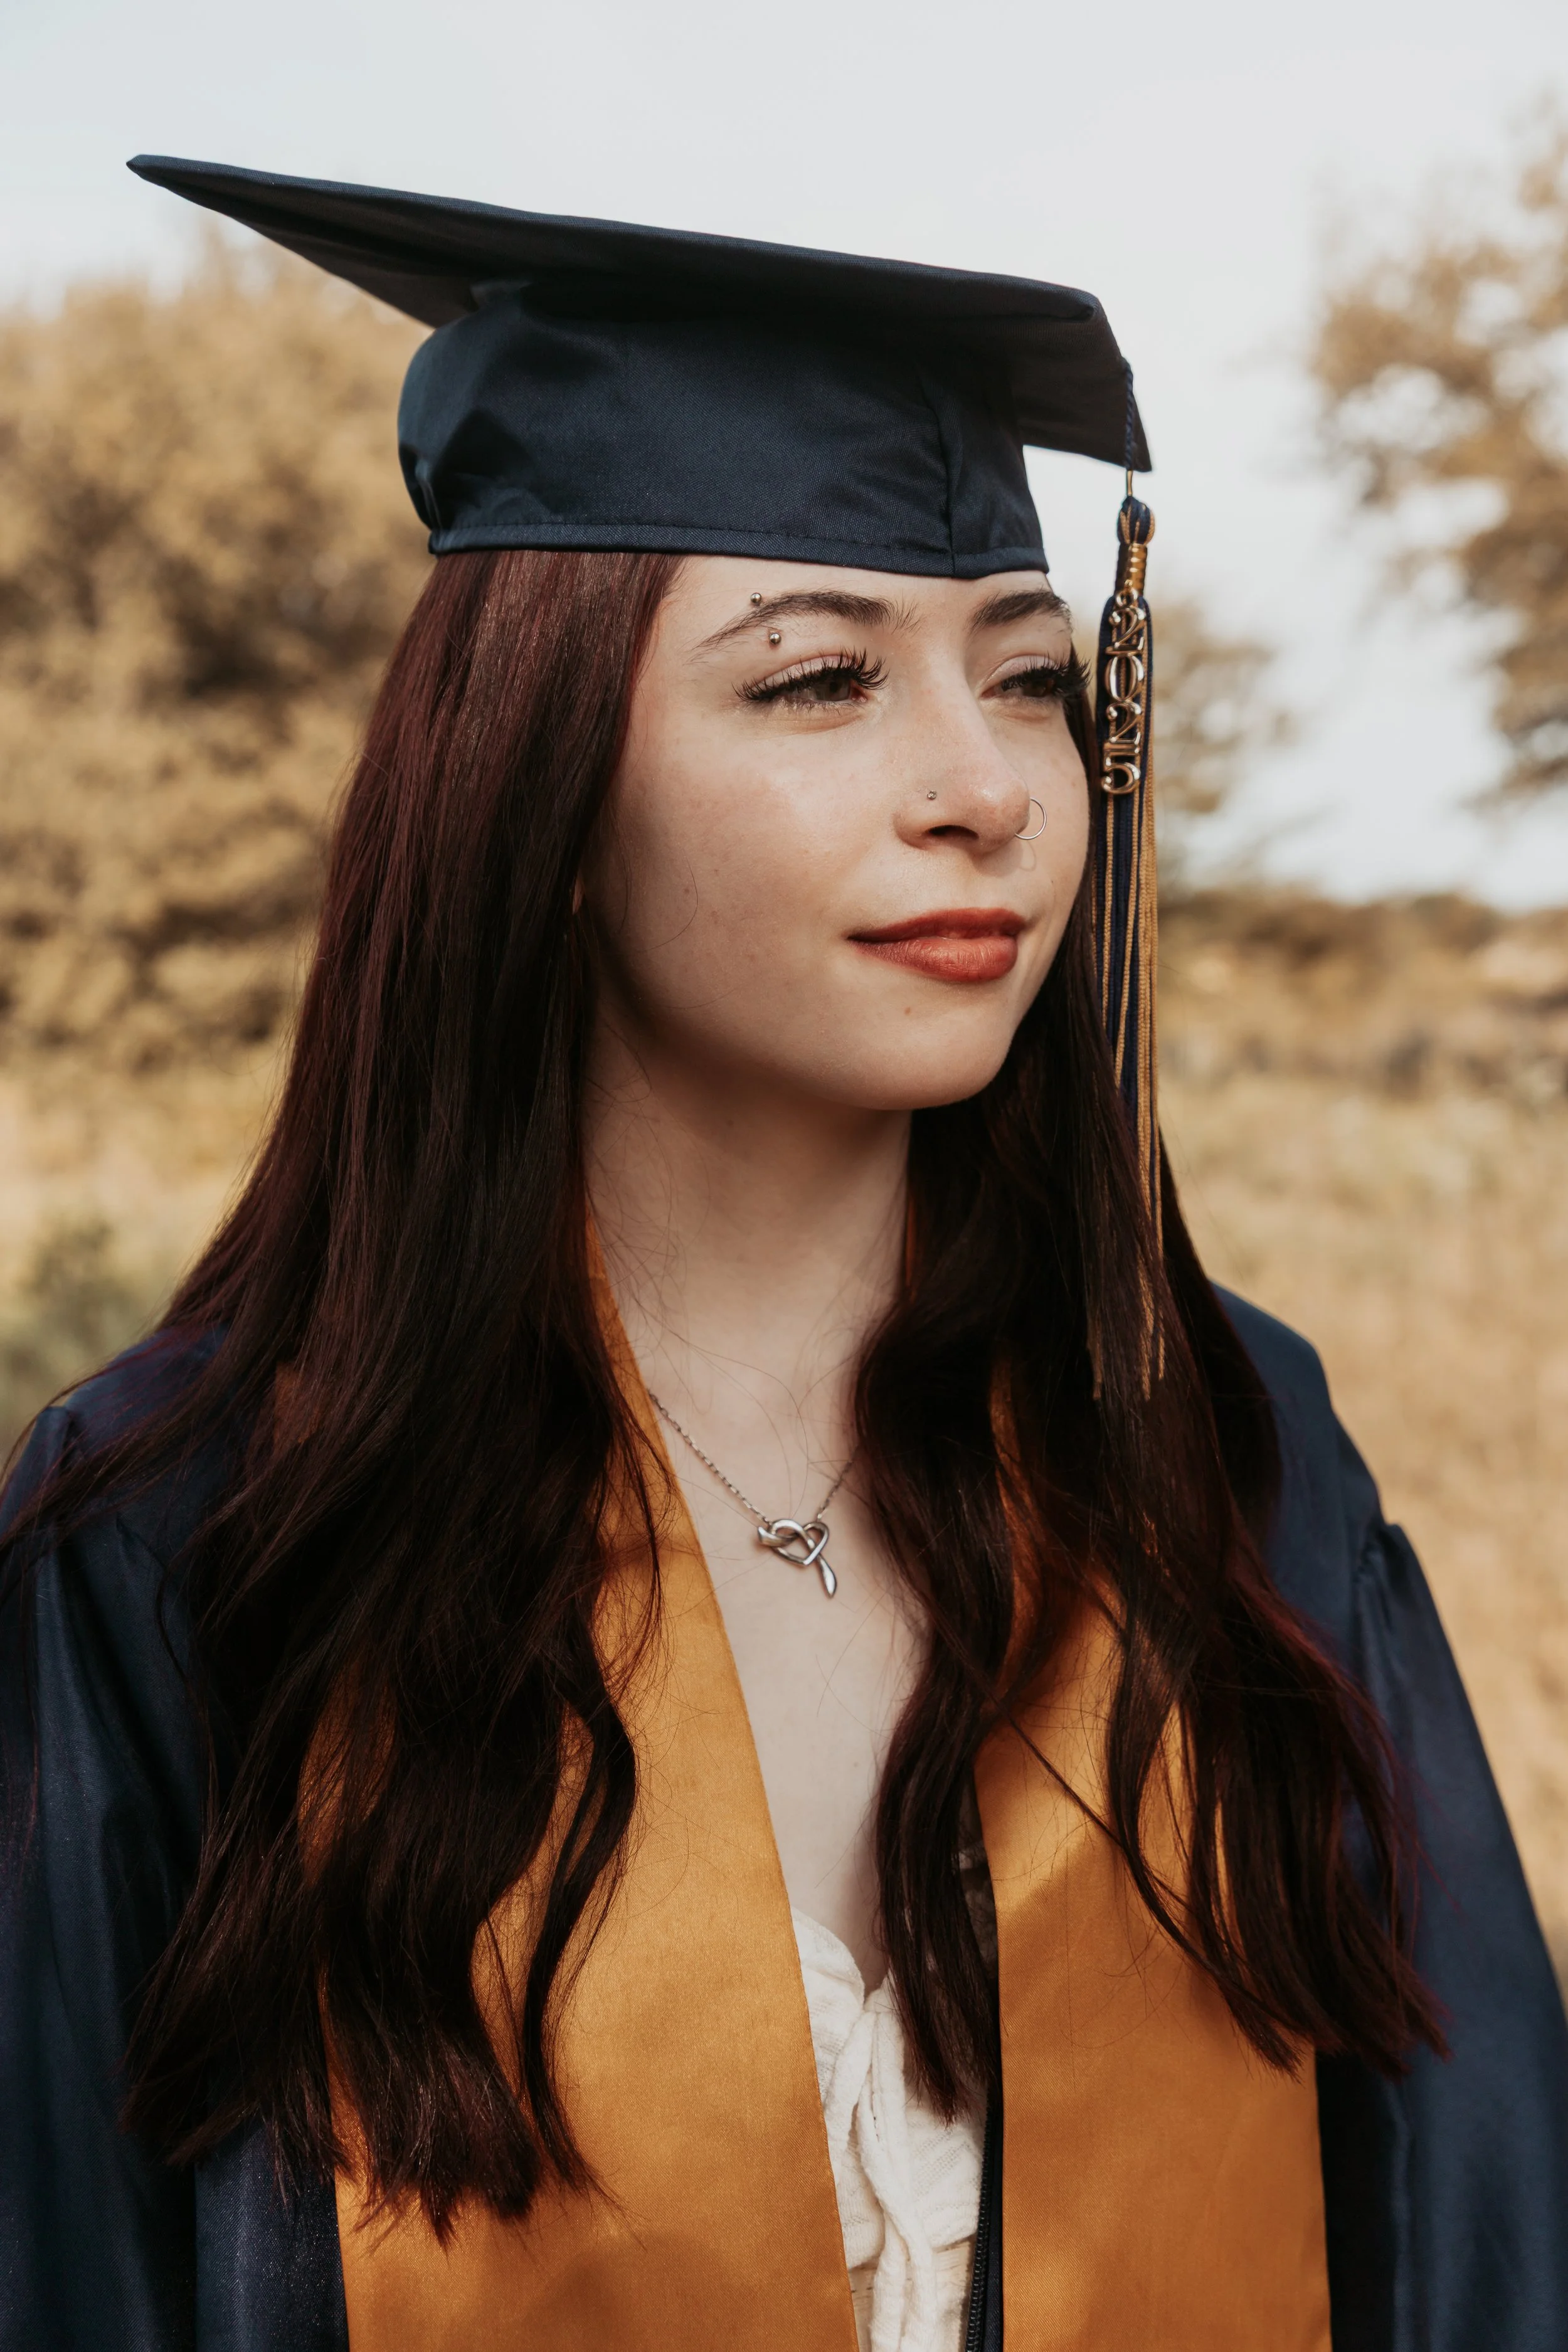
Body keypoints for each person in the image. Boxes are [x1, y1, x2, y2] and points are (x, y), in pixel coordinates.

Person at [1, 158, 1564, 2352]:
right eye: (819, 680)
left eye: (1029, 683)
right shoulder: (198, 1540)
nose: (983, 788)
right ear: (533, 798)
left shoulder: (1220, 1450)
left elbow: (1482, 2239)